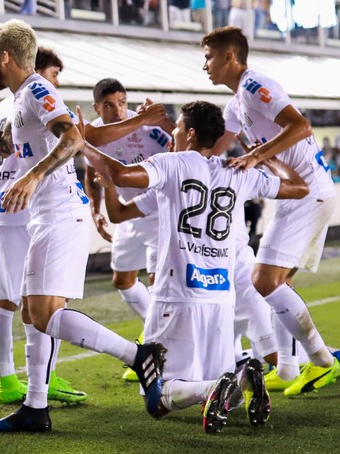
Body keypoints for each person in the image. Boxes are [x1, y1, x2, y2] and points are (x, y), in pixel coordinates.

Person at [0, 19, 166, 432]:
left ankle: (140, 357)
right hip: (43, 216)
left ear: (5, 57)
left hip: (61, 212)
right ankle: (35, 407)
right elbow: (4, 146)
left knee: (44, 313)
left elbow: (73, 140)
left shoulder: (36, 89)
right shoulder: (19, 98)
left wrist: (32, 177)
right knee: (33, 313)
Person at [81, 100, 309, 433]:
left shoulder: (172, 164)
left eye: (175, 128)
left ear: (189, 133)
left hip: (176, 295)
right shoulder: (238, 170)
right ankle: (244, 378)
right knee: (223, 387)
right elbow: (299, 187)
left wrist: (81, 143)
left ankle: (214, 387)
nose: (171, 133)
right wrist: (264, 157)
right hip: (220, 298)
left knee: (157, 397)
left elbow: (120, 173)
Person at [202, 27, 340, 396]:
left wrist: (256, 155)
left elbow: (300, 125)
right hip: (301, 194)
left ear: (229, 57)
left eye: (208, 57)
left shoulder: (254, 85)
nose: (205, 65)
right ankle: (286, 366)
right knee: (279, 284)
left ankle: (324, 361)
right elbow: (215, 147)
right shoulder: (236, 104)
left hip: (305, 191)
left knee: (263, 281)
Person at [0, 46, 89, 406]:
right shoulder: (35, 98)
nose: (54, 84)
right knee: (43, 303)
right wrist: (33, 179)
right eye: (53, 75)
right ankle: (45, 380)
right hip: (25, 209)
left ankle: (10, 381)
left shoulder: (6, 105)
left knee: (4, 300)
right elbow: (73, 139)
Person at [83, 78, 173, 381]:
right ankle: (155, 340)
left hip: (157, 209)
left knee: (158, 281)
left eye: (122, 102)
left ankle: (163, 348)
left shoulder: (147, 128)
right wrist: (95, 211)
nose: (118, 109)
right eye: (109, 104)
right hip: (124, 211)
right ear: (97, 108)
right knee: (122, 280)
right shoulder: (93, 135)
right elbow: (89, 172)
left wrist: (163, 120)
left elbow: (179, 145)